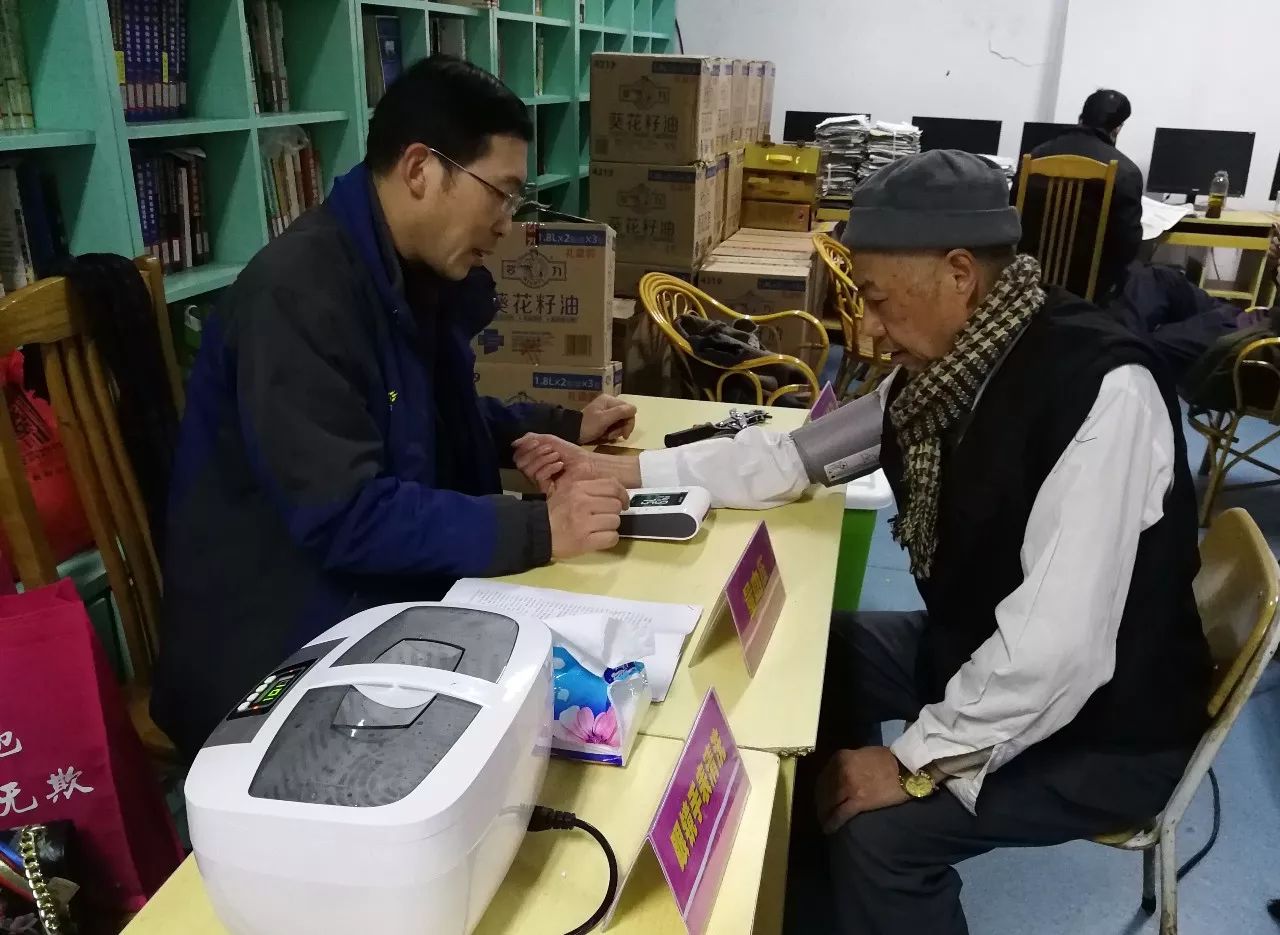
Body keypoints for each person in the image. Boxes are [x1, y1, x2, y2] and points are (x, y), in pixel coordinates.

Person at [516, 150, 1212, 934]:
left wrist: (910, 760)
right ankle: (813, 886)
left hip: (1107, 731)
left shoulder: (1102, 392)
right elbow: (793, 458)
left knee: (884, 839)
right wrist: (627, 469)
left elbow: (1057, 650)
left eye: (877, 300)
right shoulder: (949, 370)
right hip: (983, 647)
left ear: (959, 274)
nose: (870, 331)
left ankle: (862, 863)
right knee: (824, 653)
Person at [151, 57, 633, 760]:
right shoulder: (299, 295)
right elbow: (346, 513)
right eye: (500, 195)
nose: (506, 224)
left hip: (371, 602)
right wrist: (539, 527)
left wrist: (555, 428)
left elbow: (429, 417)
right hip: (280, 652)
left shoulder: (403, 274)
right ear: (419, 169)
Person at [1015, 89, 1144, 300]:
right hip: (1087, 292)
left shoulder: (1034, 156)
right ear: (1117, 128)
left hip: (1027, 281)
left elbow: (1012, 215)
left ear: (1081, 117)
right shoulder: (1125, 171)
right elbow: (1127, 245)